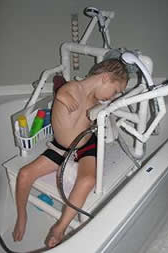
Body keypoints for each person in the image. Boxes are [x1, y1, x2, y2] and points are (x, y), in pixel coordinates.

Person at [12, 58, 129, 248]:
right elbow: (64, 91)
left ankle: (60, 227)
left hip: (86, 144)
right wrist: (62, 96)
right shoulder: (74, 88)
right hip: (62, 148)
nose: (113, 96)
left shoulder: (97, 99)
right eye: (115, 91)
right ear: (105, 78)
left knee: (88, 180)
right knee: (24, 174)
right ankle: (22, 215)